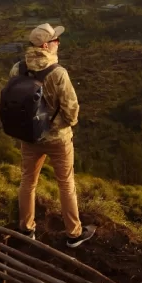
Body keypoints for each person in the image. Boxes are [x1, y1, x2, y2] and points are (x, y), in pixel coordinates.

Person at [9, 22, 95, 248]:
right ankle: (74, 234)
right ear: (46, 45)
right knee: (66, 183)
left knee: (27, 182)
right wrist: (62, 126)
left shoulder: (18, 69)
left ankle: (26, 230)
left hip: (29, 137)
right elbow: (71, 109)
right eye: (56, 40)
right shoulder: (58, 73)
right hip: (58, 139)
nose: (59, 43)